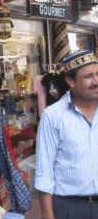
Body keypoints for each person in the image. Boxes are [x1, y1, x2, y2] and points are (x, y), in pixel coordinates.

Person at [35, 50, 98, 219]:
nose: (96, 81)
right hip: (70, 207)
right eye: (88, 76)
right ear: (70, 81)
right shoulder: (53, 116)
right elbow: (44, 173)